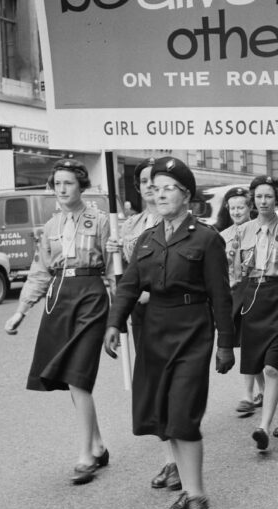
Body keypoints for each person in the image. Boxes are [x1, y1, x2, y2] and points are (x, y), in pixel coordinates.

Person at [103, 156, 236, 509]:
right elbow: (129, 285)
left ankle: (197, 496)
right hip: (154, 332)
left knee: (183, 416)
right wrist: (114, 323)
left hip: (192, 330)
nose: (159, 195)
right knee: (164, 417)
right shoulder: (146, 238)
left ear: (187, 195)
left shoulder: (206, 238)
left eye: (168, 189)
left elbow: (221, 295)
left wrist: (225, 342)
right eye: (155, 188)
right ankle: (187, 485)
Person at [3, 159, 112, 485]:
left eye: (69, 183)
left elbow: (112, 270)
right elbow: (40, 271)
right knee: (70, 376)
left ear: (81, 186)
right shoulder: (50, 227)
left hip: (90, 297)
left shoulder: (101, 221)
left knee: (80, 375)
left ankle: (85, 457)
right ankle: (98, 444)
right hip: (58, 300)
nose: (62, 189)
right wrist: (21, 311)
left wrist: (118, 318)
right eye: (57, 184)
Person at [107, 157, 181, 492]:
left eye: (157, 180)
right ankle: (170, 458)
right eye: (146, 182)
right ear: (139, 188)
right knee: (154, 388)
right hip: (142, 316)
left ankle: (181, 459)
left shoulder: (175, 222)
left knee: (174, 386)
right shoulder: (129, 226)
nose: (151, 187)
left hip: (170, 312)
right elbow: (122, 277)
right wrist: (111, 253)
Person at [230, 175, 278, 451]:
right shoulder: (242, 231)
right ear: (252, 199)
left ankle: (263, 427)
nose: (263, 201)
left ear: (276, 198)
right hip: (253, 299)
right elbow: (235, 271)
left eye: (268, 196)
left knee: (272, 367)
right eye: (258, 196)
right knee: (266, 366)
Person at [218, 187, 262, 416]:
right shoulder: (222, 236)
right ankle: (260, 390)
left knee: (252, 343)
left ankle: (248, 394)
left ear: (249, 208)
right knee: (246, 343)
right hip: (233, 293)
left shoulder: (258, 231)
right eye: (232, 207)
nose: (236, 211)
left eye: (240, 207)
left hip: (254, 290)